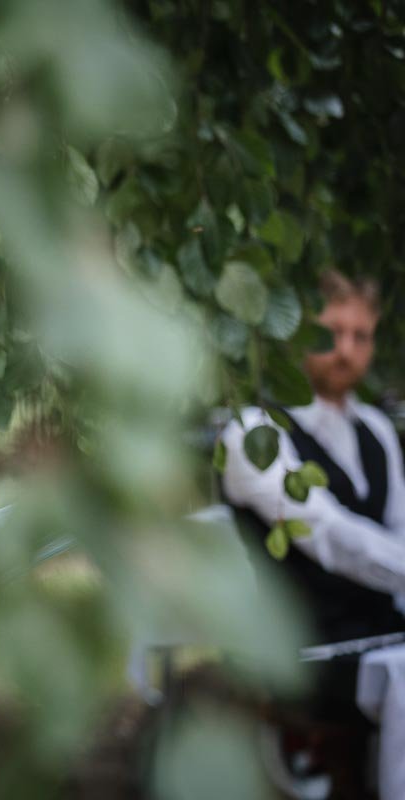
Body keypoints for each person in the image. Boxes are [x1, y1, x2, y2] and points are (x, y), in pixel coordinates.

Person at [219, 269, 405, 795]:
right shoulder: (253, 433)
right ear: (300, 333)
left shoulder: (377, 431)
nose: (346, 349)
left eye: (360, 335)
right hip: (306, 655)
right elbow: (330, 536)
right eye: (331, 333)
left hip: (385, 634)